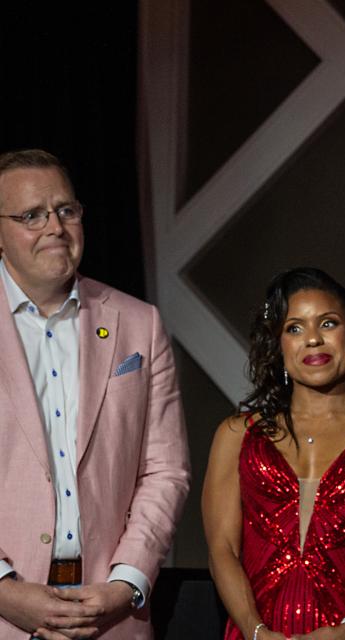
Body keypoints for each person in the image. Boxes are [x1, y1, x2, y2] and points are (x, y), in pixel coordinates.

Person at [0, 149, 190, 639]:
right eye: (31, 215)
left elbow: (166, 470)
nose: (55, 227)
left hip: (111, 616)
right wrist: (4, 591)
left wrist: (127, 581)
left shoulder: (139, 323)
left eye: (66, 210)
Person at [203, 267, 345, 640]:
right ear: (279, 344)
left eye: (328, 323)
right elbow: (222, 548)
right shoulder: (236, 435)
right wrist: (255, 631)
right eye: (294, 328)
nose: (313, 339)